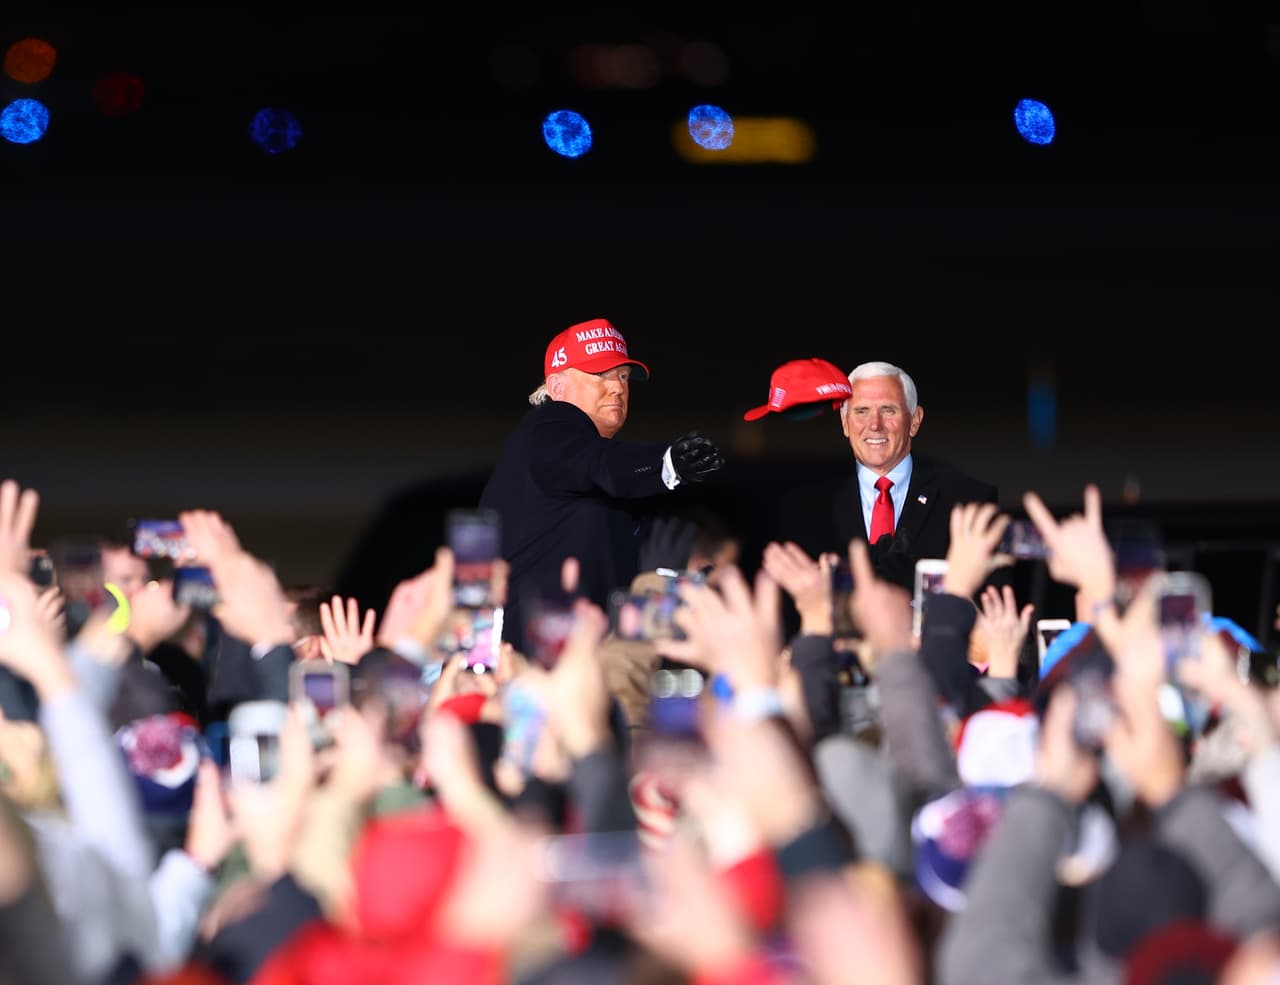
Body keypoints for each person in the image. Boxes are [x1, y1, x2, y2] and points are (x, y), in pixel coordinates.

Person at [478, 316, 725, 657]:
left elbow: (622, 618)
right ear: (557, 387)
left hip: (572, 672)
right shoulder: (549, 429)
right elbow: (602, 466)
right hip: (533, 681)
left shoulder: (584, 479)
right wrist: (668, 461)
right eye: (599, 374)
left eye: (623, 376)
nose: (618, 388)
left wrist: (668, 589)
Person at [776, 359, 1000, 594]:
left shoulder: (968, 501)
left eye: (888, 410)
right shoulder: (803, 509)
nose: (874, 424)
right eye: (862, 411)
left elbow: (991, 606)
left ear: (914, 421)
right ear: (845, 423)